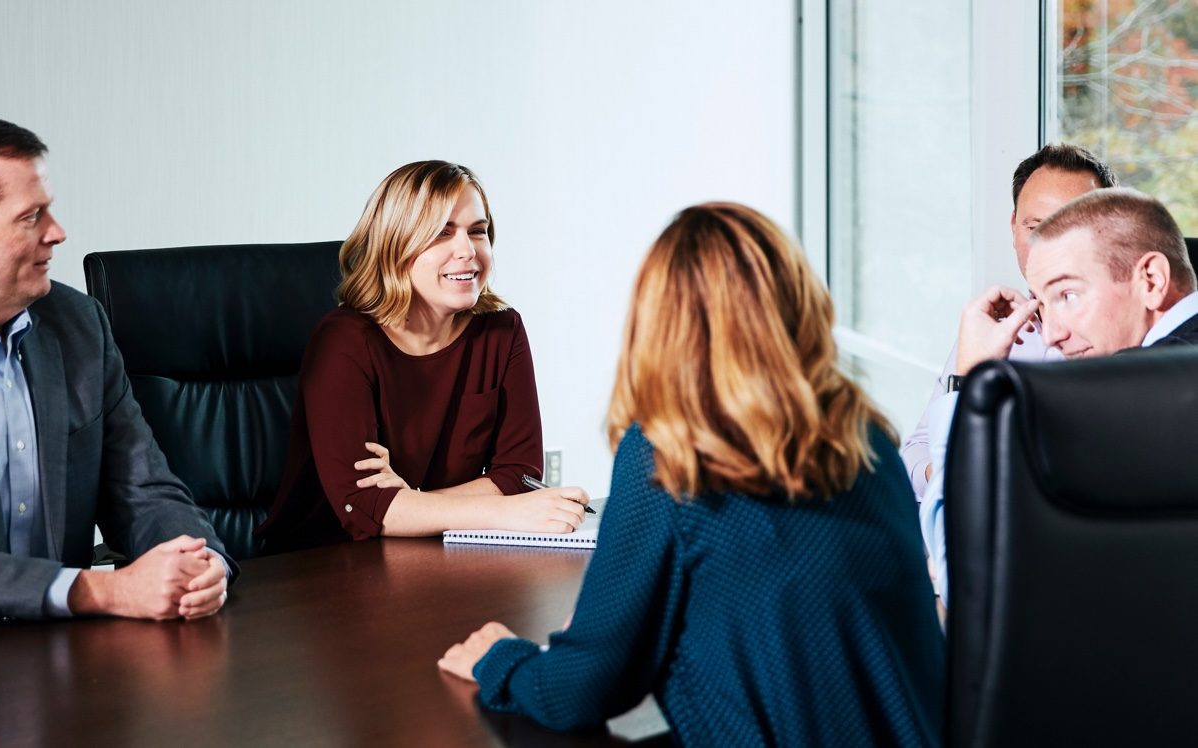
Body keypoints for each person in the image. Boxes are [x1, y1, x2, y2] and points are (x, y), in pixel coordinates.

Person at [439, 203, 944, 746]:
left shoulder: (670, 451)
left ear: (659, 323)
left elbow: (583, 691)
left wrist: (502, 659)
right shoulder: (864, 436)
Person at [0, 112, 233, 625]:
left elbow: (144, 491)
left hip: (68, 665)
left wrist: (200, 564)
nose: (57, 233)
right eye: (30, 216)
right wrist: (95, 590)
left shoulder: (78, 324)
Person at [256, 161, 589, 552]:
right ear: (395, 246)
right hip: (321, 567)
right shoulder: (345, 341)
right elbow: (362, 506)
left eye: (477, 232)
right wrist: (505, 512)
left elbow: (519, 476)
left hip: (433, 555)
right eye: (441, 234)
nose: (466, 251)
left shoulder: (502, 332)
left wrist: (410, 502)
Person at [921, 187, 1198, 604]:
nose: (1052, 335)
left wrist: (970, 378)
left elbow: (968, 569)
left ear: (1152, 280)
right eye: (1043, 305)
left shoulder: (1126, 400)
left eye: (1068, 295)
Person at [902, 144, 1116, 498]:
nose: (1049, 247)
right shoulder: (989, 327)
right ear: (1013, 226)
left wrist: (956, 471)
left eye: (1071, 228)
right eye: (1034, 226)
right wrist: (949, 473)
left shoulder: (1126, 335)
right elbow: (917, 449)